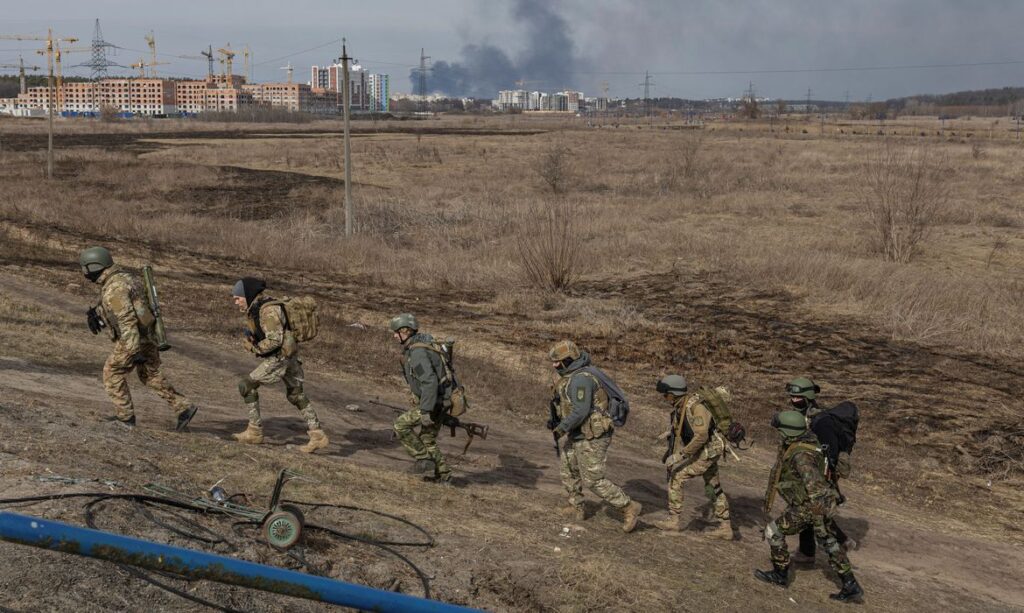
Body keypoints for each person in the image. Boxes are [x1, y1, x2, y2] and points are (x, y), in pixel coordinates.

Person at [79, 247, 197, 430]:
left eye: (86, 268)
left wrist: (132, 351)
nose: (85, 273)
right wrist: (98, 312)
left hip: (133, 339)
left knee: (112, 373)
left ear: (95, 266)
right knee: (149, 375)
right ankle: (183, 407)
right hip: (146, 336)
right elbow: (131, 308)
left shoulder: (114, 288)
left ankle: (125, 418)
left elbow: (127, 320)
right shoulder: (123, 278)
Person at [756, 410, 863, 603]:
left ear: (788, 432)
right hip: (815, 505)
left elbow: (815, 488)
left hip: (810, 506)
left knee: (773, 532)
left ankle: (780, 574)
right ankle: (850, 584)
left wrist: (817, 519)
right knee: (829, 543)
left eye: (781, 430)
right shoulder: (807, 441)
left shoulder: (801, 456)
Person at [546, 340, 641, 533]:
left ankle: (628, 507)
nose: (555, 365)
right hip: (578, 431)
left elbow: (581, 410)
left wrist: (562, 428)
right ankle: (577, 506)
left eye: (559, 361)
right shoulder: (571, 375)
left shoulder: (581, 379)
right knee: (569, 468)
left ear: (569, 360)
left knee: (593, 479)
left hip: (592, 435)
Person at [231, 278, 328, 453]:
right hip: (289, 356)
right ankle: (317, 435)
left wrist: (255, 348)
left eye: (238, 297)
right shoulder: (259, 307)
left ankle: (254, 431)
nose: (235, 301)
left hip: (280, 358)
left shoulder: (267, 310)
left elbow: (275, 340)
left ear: (247, 295)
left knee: (246, 385)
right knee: (296, 395)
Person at [651, 375, 732, 539]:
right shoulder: (681, 406)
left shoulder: (696, 407)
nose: (665, 398)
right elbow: (684, 426)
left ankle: (674, 520)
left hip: (707, 451)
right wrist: (669, 433)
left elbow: (701, 436)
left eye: (666, 394)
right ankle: (725, 527)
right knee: (713, 485)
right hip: (705, 450)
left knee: (677, 476)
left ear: (673, 394)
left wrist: (680, 456)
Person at [785, 377, 856, 557]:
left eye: (797, 397)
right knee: (807, 508)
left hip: (818, 473)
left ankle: (839, 548)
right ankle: (810, 552)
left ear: (807, 397)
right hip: (804, 470)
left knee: (812, 510)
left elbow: (828, 454)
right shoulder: (802, 417)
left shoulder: (821, 421)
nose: (794, 400)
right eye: (792, 396)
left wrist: (823, 478)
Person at [388, 313, 453, 484]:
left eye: (396, 332)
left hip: (433, 404)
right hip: (440, 401)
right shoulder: (425, 343)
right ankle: (444, 476)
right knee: (427, 439)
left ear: (406, 331)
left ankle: (423, 460)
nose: (394, 336)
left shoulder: (417, 352)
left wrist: (425, 411)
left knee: (400, 425)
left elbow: (429, 381)